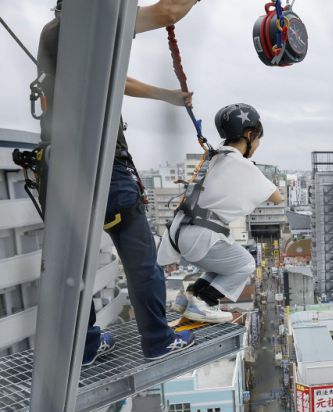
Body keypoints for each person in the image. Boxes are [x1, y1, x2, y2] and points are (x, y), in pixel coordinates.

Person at [38, 0, 202, 364]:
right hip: (102, 166)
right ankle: (158, 341)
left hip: (58, 167)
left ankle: (87, 346)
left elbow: (114, 80)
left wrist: (166, 96)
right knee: (141, 260)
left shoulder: (55, 34)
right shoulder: (91, 21)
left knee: (72, 266)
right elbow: (167, 12)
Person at [157, 103, 283, 322]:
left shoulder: (213, 156)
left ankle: (189, 297)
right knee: (244, 264)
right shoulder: (239, 164)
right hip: (201, 235)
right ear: (249, 134)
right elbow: (277, 197)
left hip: (180, 232)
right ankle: (203, 304)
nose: (258, 145)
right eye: (258, 139)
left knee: (225, 266)